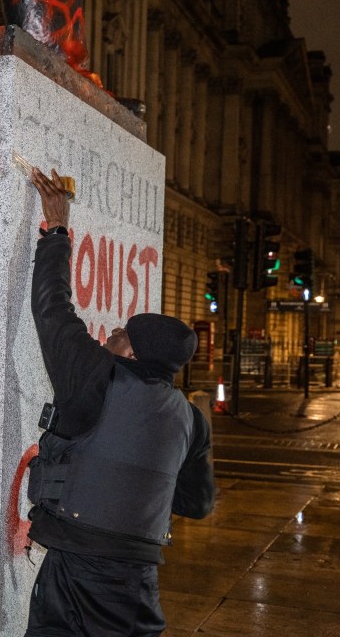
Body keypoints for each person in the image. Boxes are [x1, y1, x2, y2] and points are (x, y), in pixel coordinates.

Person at [25, 167, 216, 636]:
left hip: (73, 564)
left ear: (132, 352)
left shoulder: (97, 377)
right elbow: (197, 503)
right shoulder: (191, 420)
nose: (109, 332)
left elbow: (53, 308)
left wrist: (57, 228)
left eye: (120, 332)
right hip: (134, 579)